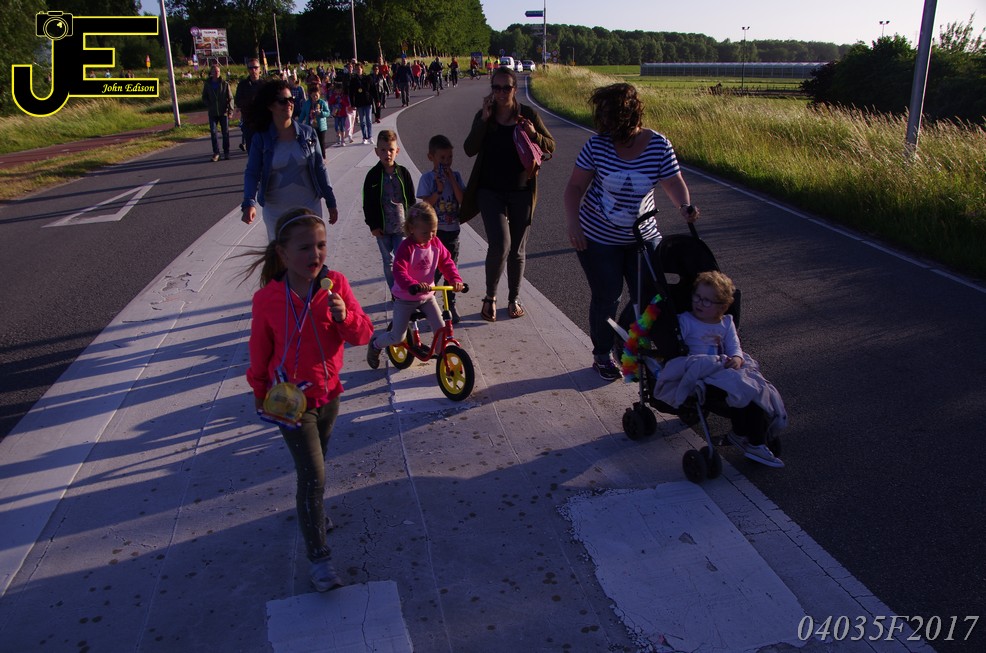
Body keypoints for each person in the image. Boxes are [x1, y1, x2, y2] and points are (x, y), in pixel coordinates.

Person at [244, 209, 373, 592]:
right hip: (291, 401)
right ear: (283, 254)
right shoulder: (267, 299)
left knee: (317, 469)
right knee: (312, 477)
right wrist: (258, 391)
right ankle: (320, 561)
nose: (315, 254)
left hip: (329, 395)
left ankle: (314, 512)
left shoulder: (336, 285)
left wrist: (344, 317)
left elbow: (364, 335)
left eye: (320, 245)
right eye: (304, 248)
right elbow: (259, 352)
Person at [563, 82, 698, 381]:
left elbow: (673, 182)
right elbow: (574, 187)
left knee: (651, 297)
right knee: (607, 296)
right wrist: (573, 223)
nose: (606, 125)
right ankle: (602, 355)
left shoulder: (658, 145)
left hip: (643, 237)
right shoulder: (597, 145)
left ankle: (628, 339)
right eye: (603, 117)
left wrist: (684, 205)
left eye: (611, 117)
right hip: (598, 238)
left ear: (629, 114)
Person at [462, 66, 555, 322]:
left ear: (515, 89)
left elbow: (551, 146)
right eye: (496, 87)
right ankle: (490, 297)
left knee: (517, 249)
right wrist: (483, 119)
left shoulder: (528, 114)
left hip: (522, 191)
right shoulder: (485, 116)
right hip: (489, 191)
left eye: (506, 87)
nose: (501, 92)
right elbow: (469, 149)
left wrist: (534, 135)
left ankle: (513, 298)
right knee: (500, 244)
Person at [678, 271, 784, 467]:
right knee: (746, 389)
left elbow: (734, 346)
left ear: (722, 306)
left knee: (756, 389)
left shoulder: (726, 323)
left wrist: (736, 357)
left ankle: (745, 433)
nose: (700, 303)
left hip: (726, 369)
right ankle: (754, 443)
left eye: (707, 301)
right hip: (704, 372)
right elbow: (677, 349)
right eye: (697, 297)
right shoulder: (686, 321)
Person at [365, 202, 464, 369]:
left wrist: (455, 279)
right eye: (425, 232)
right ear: (412, 229)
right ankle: (375, 344)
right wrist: (412, 284)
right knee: (397, 337)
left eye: (434, 231)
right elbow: (399, 270)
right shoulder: (407, 247)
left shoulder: (435, 243)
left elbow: (446, 262)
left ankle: (442, 357)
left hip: (427, 296)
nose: (430, 236)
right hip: (405, 297)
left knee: (441, 329)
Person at [241, 80, 340, 241]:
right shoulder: (261, 139)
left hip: (309, 208)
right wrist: (249, 202)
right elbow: (252, 173)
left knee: (311, 251)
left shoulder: (308, 134)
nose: (289, 104)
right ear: (270, 106)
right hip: (277, 212)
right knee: (281, 254)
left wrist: (331, 201)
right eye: (282, 101)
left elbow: (320, 168)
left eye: (291, 99)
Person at [417, 134, 465, 323]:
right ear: (431, 157)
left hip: (453, 230)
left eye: (450, 157)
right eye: (442, 158)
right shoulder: (427, 179)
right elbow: (425, 205)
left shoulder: (457, 176)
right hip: (434, 234)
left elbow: (461, 199)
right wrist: (438, 189)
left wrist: (452, 181)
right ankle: (426, 302)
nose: (446, 162)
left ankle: (450, 304)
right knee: (433, 269)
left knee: (451, 267)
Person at [362, 130, 415, 291]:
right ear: (377, 151)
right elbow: (367, 203)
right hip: (382, 228)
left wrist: (413, 222)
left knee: (403, 260)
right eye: (383, 150)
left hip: (402, 226)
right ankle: (394, 290)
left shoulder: (403, 173)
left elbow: (411, 199)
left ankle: (404, 288)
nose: (387, 154)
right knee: (388, 261)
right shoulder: (372, 176)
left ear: (397, 151)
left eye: (391, 149)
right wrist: (373, 226)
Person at [202, 63, 234, 162]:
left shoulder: (225, 84)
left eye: (218, 71)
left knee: (225, 133)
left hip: (223, 111)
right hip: (212, 112)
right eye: (215, 71)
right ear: (211, 72)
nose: (217, 73)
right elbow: (204, 97)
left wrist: (230, 111)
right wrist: (208, 104)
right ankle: (216, 153)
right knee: (213, 132)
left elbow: (230, 98)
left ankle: (226, 152)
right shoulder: (207, 84)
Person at [235, 58, 264, 152]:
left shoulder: (265, 84)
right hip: (249, 123)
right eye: (251, 68)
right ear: (248, 70)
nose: (253, 70)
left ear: (260, 69)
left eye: (255, 67)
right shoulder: (242, 85)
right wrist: (250, 102)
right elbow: (238, 101)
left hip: (264, 123)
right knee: (252, 152)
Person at [299, 85, 330, 158]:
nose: (315, 97)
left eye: (316, 95)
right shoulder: (307, 103)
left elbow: (328, 113)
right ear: (310, 95)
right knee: (311, 142)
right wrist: (298, 123)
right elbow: (303, 114)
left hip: (320, 127)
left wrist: (321, 113)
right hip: (310, 126)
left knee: (321, 142)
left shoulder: (322, 102)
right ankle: (314, 157)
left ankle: (323, 157)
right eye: (313, 96)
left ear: (319, 94)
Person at [348, 62, 375, 145]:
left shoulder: (367, 78)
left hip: (367, 101)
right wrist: (352, 104)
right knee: (362, 121)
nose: (358, 70)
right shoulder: (353, 80)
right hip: (359, 102)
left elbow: (373, 89)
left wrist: (376, 100)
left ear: (362, 69)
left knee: (368, 120)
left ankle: (370, 136)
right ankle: (364, 137)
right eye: (356, 69)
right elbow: (351, 93)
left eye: (359, 69)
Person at [326, 82, 349, 147]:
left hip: (343, 113)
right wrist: (334, 98)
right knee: (336, 127)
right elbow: (330, 102)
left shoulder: (344, 96)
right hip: (336, 113)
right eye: (337, 90)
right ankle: (338, 135)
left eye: (339, 90)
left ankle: (343, 140)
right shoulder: (333, 95)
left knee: (342, 126)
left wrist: (342, 101)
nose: (338, 91)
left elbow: (347, 104)